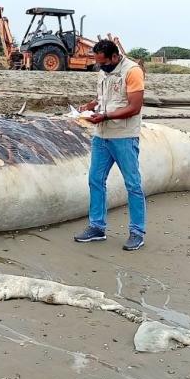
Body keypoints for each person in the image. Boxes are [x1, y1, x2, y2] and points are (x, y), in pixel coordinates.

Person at [74, 40, 146, 251]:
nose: (100, 67)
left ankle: (137, 231)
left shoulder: (132, 71)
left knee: (132, 184)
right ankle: (97, 227)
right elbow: (104, 98)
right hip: (101, 135)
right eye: (98, 63)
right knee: (95, 179)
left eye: (103, 63)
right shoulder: (103, 71)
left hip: (123, 135)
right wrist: (90, 106)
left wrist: (105, 116)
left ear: (115, 57)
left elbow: (134, 107)